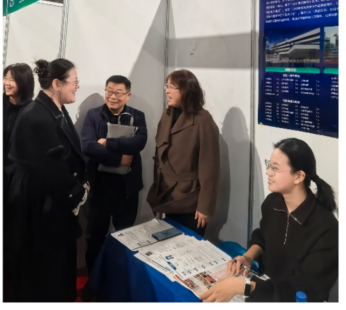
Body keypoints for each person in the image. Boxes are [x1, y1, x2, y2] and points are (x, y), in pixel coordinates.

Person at [202, 138, 338, 303]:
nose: (268, 172)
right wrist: (248, 257)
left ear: (299, 176)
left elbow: (304, 290)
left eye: (275, 168)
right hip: (264, 289)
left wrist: (244, 287)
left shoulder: (328, 229)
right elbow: (263, 236)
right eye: (269, 165)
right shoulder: (273, 203)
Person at [5, 58, 87, 302]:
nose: (77, 86)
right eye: (74, 82)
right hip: (40, 207)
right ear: (56, 84)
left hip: (50, 203)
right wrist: (78, 191)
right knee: (44, 272)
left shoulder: (52, 109)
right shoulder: (37, 116)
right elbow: (51, 170)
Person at [81, 75, 147, 275]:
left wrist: (108, 143)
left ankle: (119, 279)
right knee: (94, 237)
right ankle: (94, 280)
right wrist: (118, 159)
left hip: (126, 191)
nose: (113, 96)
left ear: (128, 95)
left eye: (118, 93)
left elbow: (139, 142)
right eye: (109, 91)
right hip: (98, 189)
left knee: (125, 236)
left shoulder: (137, 116)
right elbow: (88, 146)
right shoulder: (93, 115)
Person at [146, 69, 219, 237]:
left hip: (190, 200)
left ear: (187, 90)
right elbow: (159, 156)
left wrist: (205, 207)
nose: (167, 91)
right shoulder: (166, 115)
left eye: (172, 87)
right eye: (166, 86)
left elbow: (210, 169)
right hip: (167, 196)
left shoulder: (203, 120)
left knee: (189, 245)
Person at [2, 63, 34, 186]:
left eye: (11, 79)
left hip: (17, 176)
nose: (6, 83)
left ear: (24, 82)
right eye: (5, 78)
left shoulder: (32, 109)